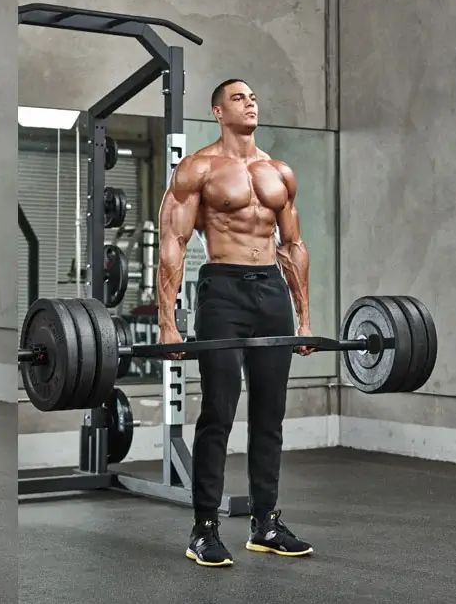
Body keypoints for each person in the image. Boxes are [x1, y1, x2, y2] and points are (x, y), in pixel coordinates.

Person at [156, 79, 315, 567]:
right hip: (222, 289)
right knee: (219, 411)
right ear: (218, 111)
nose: (251, 101)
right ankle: (204, 528)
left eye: (253, 95)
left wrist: (304, 318)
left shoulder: (278, 172)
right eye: (240, 97)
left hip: (270, 292)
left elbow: (292, 246)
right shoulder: (198, 168)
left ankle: (265, 522)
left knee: (270, 413)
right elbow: (173, 243)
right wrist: (169, 323)